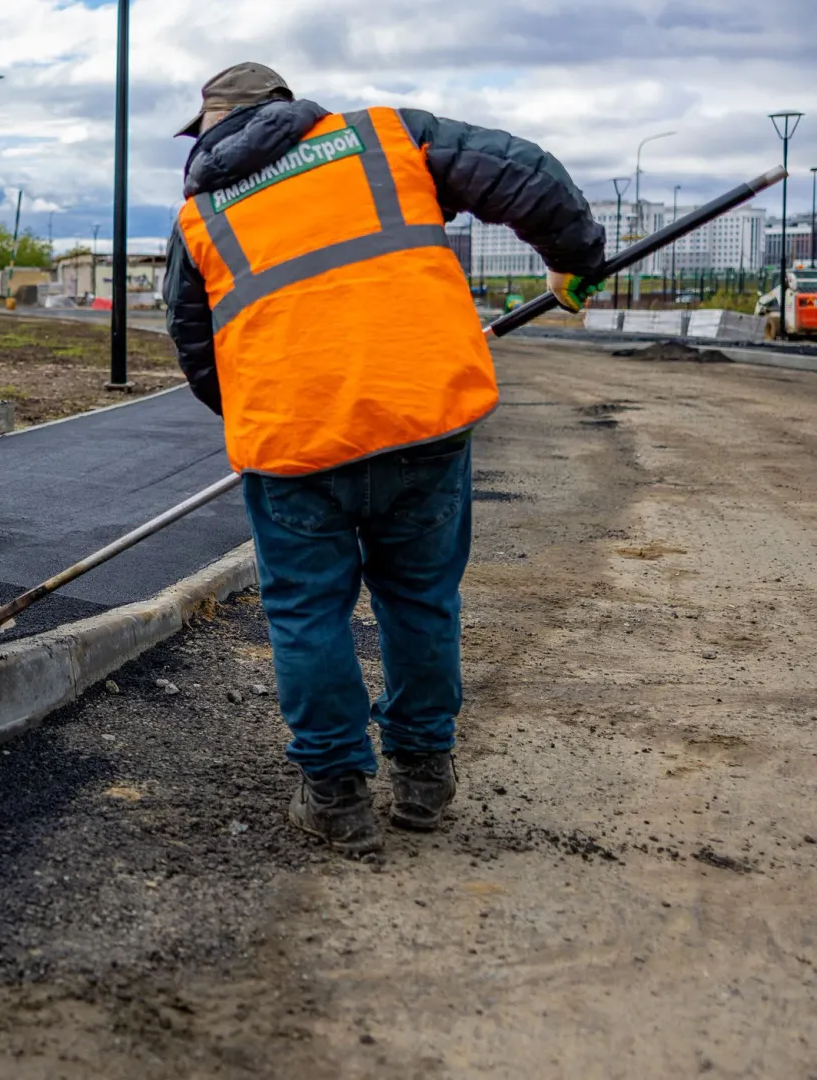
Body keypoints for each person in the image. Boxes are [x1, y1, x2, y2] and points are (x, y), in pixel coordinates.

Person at [163, 62, 607, 855]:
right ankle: (425, 777)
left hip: (295, 445)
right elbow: (525, 174)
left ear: (213, 133)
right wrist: (576, 257)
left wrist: (270, 409)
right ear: (287, 109)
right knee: (420, 600)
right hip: (421, 418)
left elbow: (197, 348)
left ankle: (334, 795)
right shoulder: (386, 137)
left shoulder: (199, 216)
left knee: (306, 614)